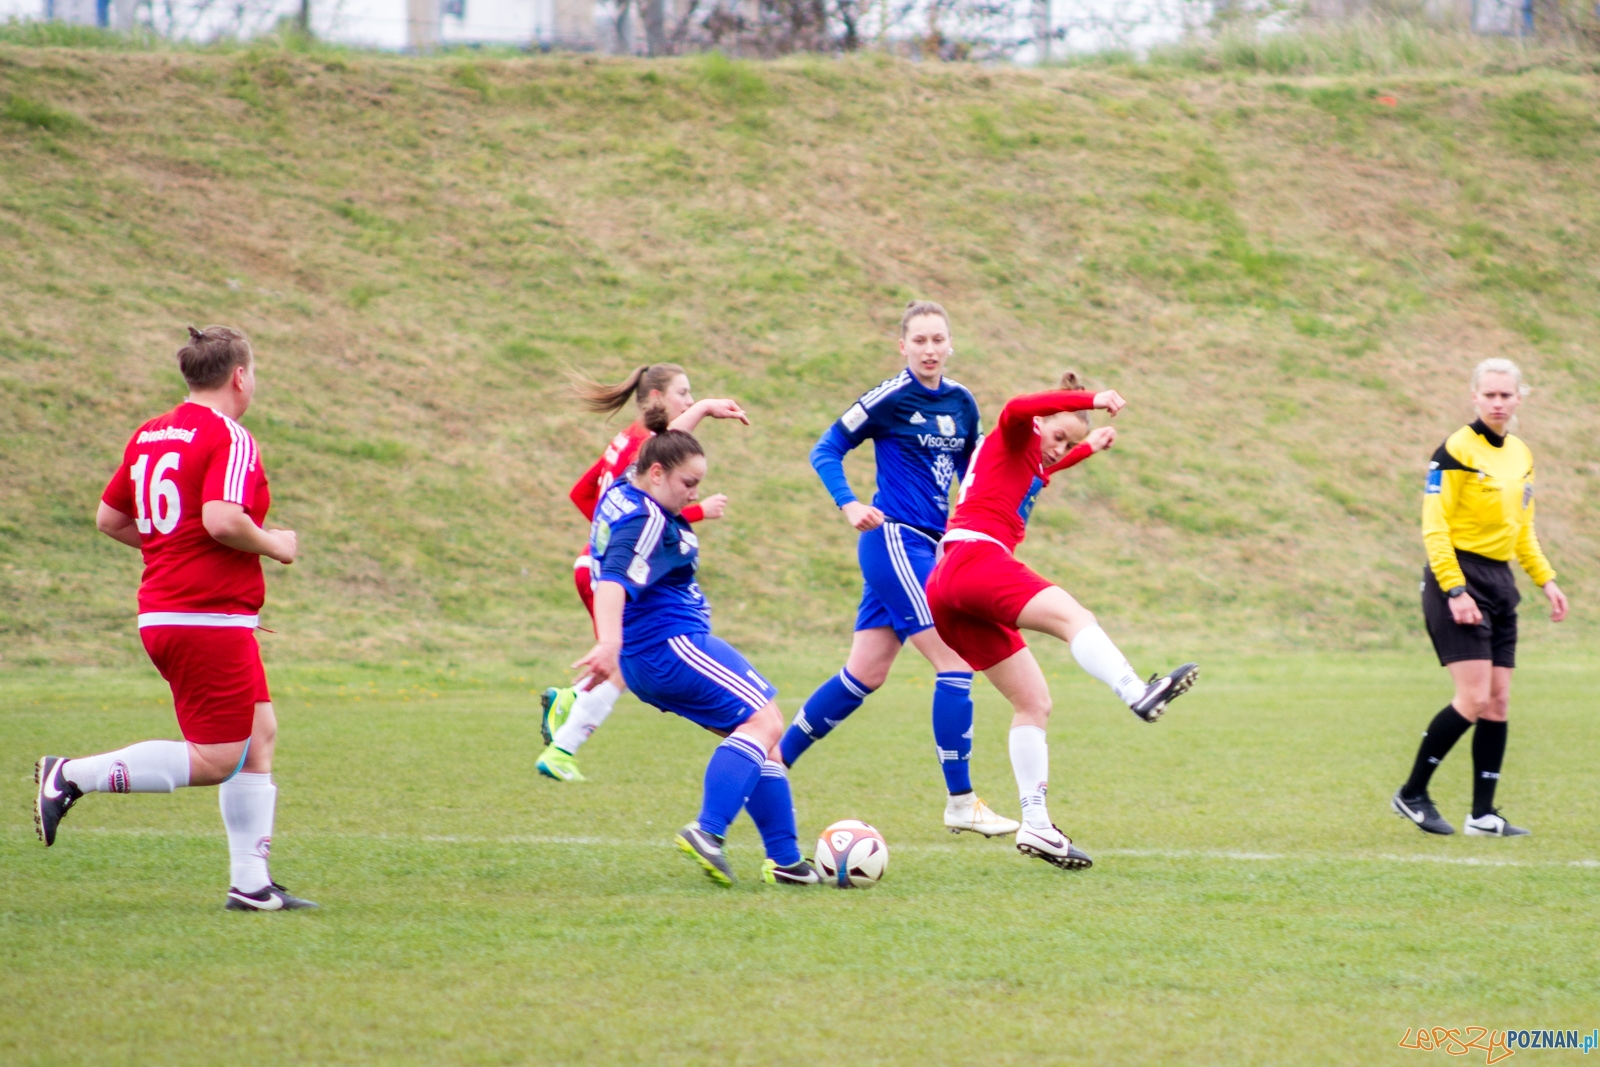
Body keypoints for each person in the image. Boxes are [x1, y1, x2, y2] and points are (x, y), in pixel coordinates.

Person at [34, 326, 314, 911]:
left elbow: (109, 519)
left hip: (176, 611)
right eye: (253, 372)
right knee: (217, 760)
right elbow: (221, 519)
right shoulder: (229, 435)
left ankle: (252, 886)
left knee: (257, 738)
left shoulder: (151, 433)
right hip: (203, 617)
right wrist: (276, 544)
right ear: (240, 376)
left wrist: (172, 553)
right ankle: (70, 776)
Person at [924, 372, 1199, 871]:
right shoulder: (1017, 429)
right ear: (1043, 420)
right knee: (1077, 618)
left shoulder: (1027, 456)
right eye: (1058, 436)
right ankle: (1136, 691)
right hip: (976, 563)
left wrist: (1086, 446)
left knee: (1033, 702)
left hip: (947, 585)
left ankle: (1036, 823)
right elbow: (1015, 402)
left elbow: (1041, 473)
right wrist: (1093, 399)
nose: (1057, 449)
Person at [777, 301, 1019, 837]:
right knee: (955, 663)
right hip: (893, 540)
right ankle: (961, 802)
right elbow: (826, 448)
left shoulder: (962, 403)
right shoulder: (889, 398)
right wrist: (847, 503)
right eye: (920, 341)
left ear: (951, 344)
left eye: (938, 340)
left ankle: (773, 763)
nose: (930, 349)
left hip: (929, 548)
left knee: (865, 673)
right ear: (903, 347)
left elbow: (970, 476)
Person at [572, 426, 820, 886]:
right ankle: (708, 831)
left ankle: (786, 861)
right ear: (659, 474)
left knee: (755, 737)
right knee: (766, 722)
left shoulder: (626, 488)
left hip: (650, 658)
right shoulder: (644, 518)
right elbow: (611, 582)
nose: (694, 494)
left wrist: (702, 410)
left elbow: (662, 441)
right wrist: (607, 643)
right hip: (669, 643)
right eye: (689, 484)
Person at [536, 363, 748, 782]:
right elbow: (647, 505)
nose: (687, 402)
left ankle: (568, 713)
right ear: (656, 399)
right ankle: (564, 741)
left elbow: (583, 494)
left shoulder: (626, 441)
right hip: (612, 575)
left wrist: (607, 533)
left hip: (595, 565)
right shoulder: (646, 445)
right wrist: (693, 513)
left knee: (627, 662)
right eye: (683, 394)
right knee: (624, 661)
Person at [1391, 358, 1567, 838]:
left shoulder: (1521, 454)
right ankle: (1412, 794)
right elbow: (1435, 526)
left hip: (1499, 582)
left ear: (1518, 399)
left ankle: (1482, 815)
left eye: (1505, 395)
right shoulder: (1452, 451)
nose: (1497, 402)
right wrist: (1454, 588)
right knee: (1472, 698)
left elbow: (1522, 529)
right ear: (1474, 396)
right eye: (1488, 394)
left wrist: (1545, 579)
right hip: (1459, 577)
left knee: (1498, 702)